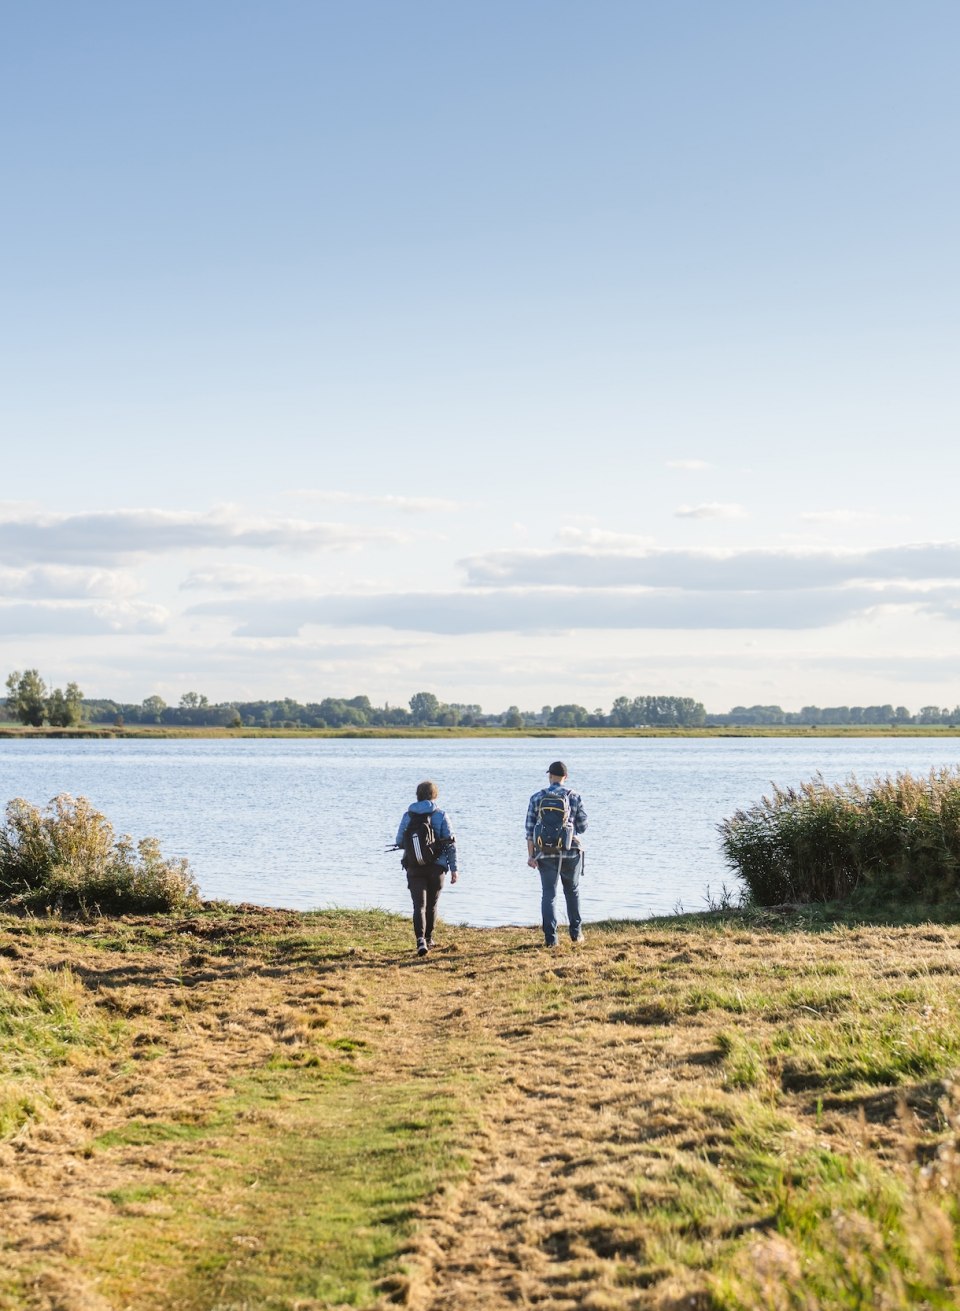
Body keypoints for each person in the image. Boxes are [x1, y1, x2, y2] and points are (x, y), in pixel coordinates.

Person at [526, 761, 587, 946]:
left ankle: (551, 939)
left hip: (544, 853)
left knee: (549, 894)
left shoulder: (537, 797)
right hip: (570, 851)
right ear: (565, 777)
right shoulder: (574, 796)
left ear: (550, 776)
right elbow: (583, 827)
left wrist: (531, 856)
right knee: (572, 891)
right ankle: (576, 934)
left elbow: (529, 830)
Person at [396, 780, 458, 957]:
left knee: (418, 906)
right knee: (431, 904)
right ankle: (429, 938)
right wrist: (454, 869)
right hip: (436, 868)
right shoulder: (441, 815)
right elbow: (451, 844)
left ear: (417, 795)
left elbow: (400, 840)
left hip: (414, 866)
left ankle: (420, 940)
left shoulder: (408, 816)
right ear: (434, 795)